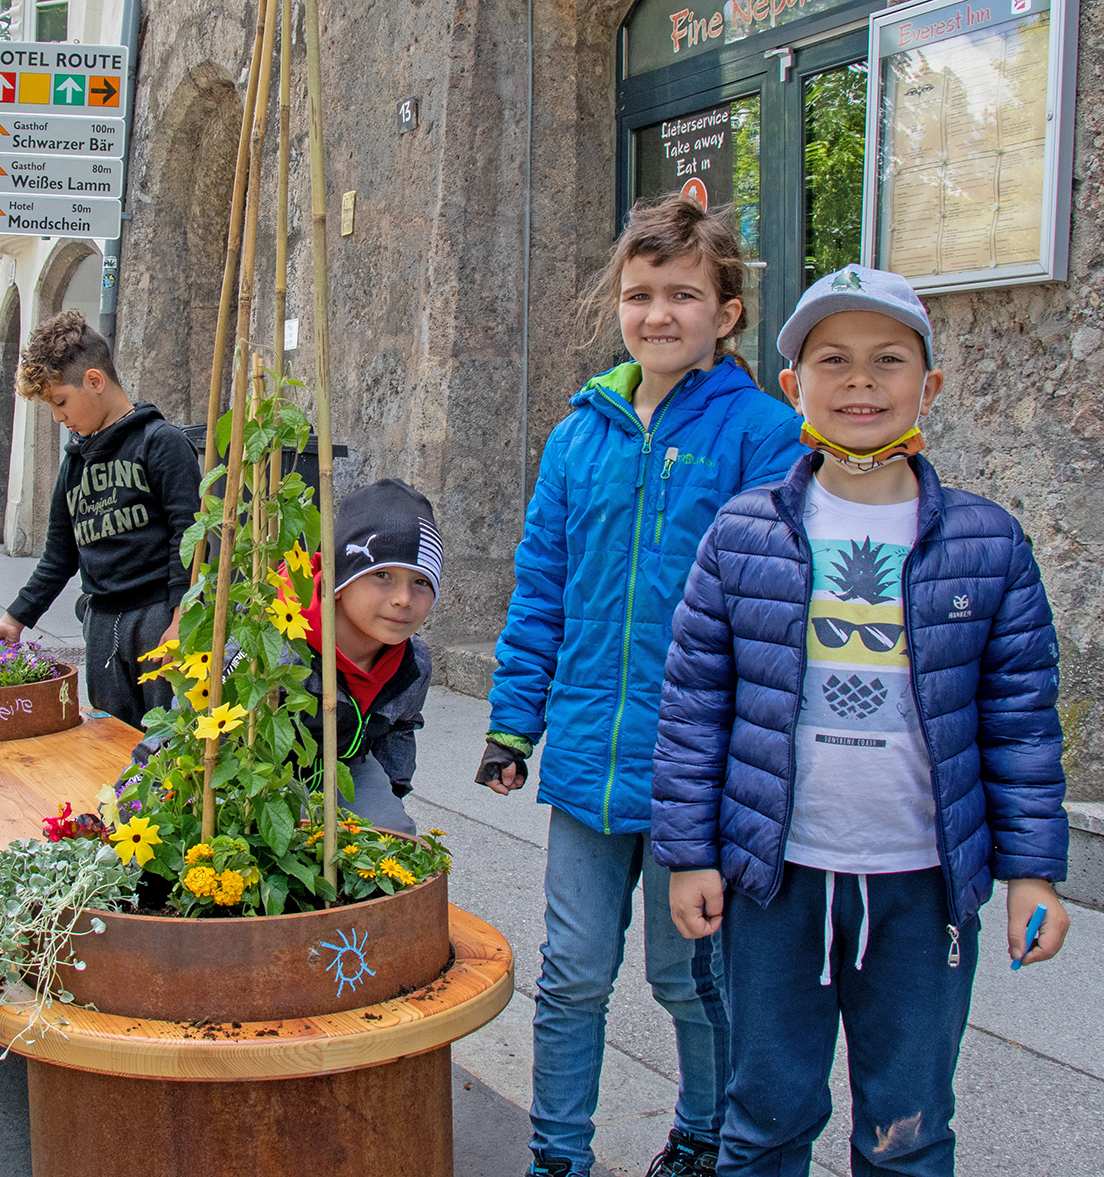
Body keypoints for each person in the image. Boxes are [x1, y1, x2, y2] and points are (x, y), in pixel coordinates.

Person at [651, 264, 1070, 1176]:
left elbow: (1021, 719)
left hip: (922, 884)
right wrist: (688, 853)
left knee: (908, 1126)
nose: (861, 381)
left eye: (888, 359)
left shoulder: (986, 541)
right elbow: (693, 710)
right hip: (775, 879)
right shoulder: (742, 534)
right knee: (762, 1113)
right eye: (832, 360)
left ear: (931, 385)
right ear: (794, 387)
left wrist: (1034, 873)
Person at [478, 195, 808, 1177]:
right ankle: (555, 1156)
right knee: (570, 976)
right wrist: (511, 723)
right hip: (585, 756)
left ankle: (703, 1134)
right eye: (638, 294)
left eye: (681, 294)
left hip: (694, 775)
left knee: (685, 979)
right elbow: (540, 585)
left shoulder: (763, 434)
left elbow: (775, 617)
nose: (656, 313)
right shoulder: (577, 435)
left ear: (726, 311)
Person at [0, 311, 198, 728]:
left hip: (157, 620)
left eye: (60, 402)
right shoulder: (75, 465)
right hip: (100, 625)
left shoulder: (162, 443)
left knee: (169, 745)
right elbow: (58, 556)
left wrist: (181, 619)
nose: (58, 417)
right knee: (110, 744)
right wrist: (15, 618)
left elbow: (188, 540)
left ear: (95, 381)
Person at [282, 478, 442, 834]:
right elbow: (191, 726)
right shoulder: (280, 642)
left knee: (391, 838)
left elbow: (401, 727)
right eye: (382, 575)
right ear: (337, 583)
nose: (403, 599)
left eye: (421, 582)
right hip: (260, 770)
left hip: (345, 765)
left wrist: (391, 791)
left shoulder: (413, 663)